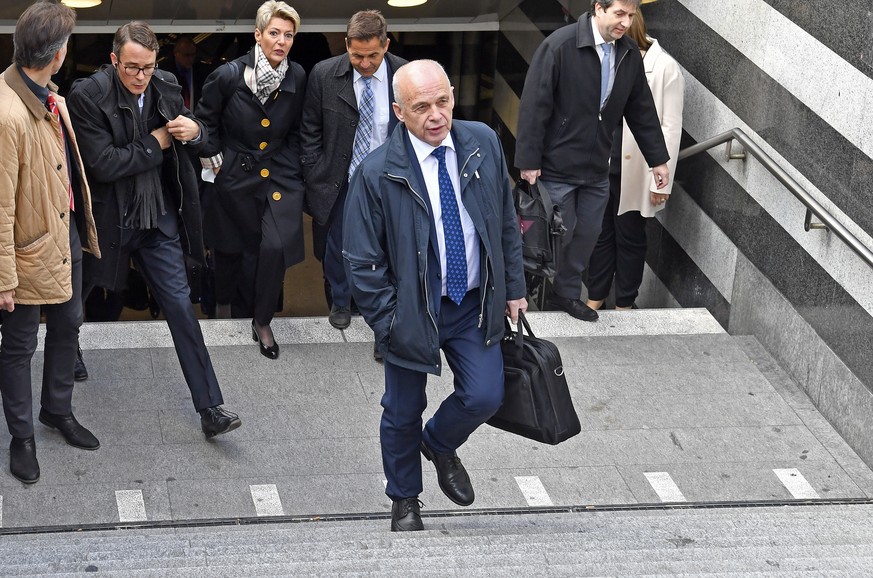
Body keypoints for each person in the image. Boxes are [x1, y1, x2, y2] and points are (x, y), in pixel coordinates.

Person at [343, 60, 527, 532]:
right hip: (411, 312)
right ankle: (405, 499)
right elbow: (362, 263)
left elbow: (504, 219)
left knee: (486, 394)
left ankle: (440, 443)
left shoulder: (482, 142)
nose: (436, 114)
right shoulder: (377, 173)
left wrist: (512, 289)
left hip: (470, 303)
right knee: (402, 412)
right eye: (421, 107)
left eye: (442, 100)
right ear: (399, 112)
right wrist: (389, 322)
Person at [67, 20, 241, 438]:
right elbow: (102, 163)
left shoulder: (164, 83)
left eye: (147, 67)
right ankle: (69, 343)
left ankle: (210, 408)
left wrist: (195, 132)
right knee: (82, 290)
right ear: (114, 61)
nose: (141, 77)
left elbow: (199, 140)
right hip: (109, 219)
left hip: (156, 218)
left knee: (181, 307)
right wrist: (157, 141)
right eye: (131, 68)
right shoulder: (87, 94)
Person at [515, 0, 670, 322]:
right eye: (619, 14)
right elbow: (534, 105)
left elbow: (641, 109)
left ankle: (566, 295)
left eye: (631, 16)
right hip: (556, 166)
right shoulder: (560, 45)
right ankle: (516, 293)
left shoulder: (627, 53)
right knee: (553, 235)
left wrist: (658, 160)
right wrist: (528, 161)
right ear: (598, 8)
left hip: (597, 169)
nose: (626, 23)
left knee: (587, 235)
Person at [0, 0, 101, 484]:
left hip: (63, 237)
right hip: (25, 253)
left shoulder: (47, 95)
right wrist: (4, 277)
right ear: (57, 53)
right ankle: (22, 439)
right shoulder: (7, 114)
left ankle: (56, 411)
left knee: (69, 325)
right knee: (19, 346)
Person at [196, 1, 307, 359]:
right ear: (258, 35)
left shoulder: (298, 75)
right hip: (234, 174)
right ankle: (223, 306)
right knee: (229, 250)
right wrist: (216, 159)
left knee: (274, 247)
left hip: (277, 174)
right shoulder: (227, 75)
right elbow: (205, 121)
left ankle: (262, 320)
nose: (282, 41)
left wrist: (289, 164)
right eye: (274, 33)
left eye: (288, 35)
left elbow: (296, 128)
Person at [300, 10, 407, 341]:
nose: (364, 62)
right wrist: (315, 170)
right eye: (357, 55)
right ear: (346, 45)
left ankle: (382, 326)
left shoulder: (406, 74)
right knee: (339, 245)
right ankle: (341, 301)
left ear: (386, 45)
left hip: (390, 180)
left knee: (389, 250)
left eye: (373, 55)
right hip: (341, 178)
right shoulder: (323, 74)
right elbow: (310, 130)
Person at [586, 9, 684, 311]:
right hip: (601, 165)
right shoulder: (608, 59)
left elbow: (670, 128)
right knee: (600, 235)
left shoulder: (665, 67)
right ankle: (595, 296)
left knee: (629, 237)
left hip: (637, 171)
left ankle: (625, 303)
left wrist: (661, 184)